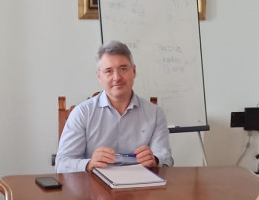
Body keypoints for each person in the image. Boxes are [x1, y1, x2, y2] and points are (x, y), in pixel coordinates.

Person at [55, 40, 173, 173]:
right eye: (108, 71)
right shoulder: (82, 113)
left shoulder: (155, 113)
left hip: (141, 187)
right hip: (95, 187)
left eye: (123, 69)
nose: (117, 77)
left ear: (134, 71)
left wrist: (156, 160)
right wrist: (88, 164)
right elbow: (62, 164)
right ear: (99, 77)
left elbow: (166, 159)